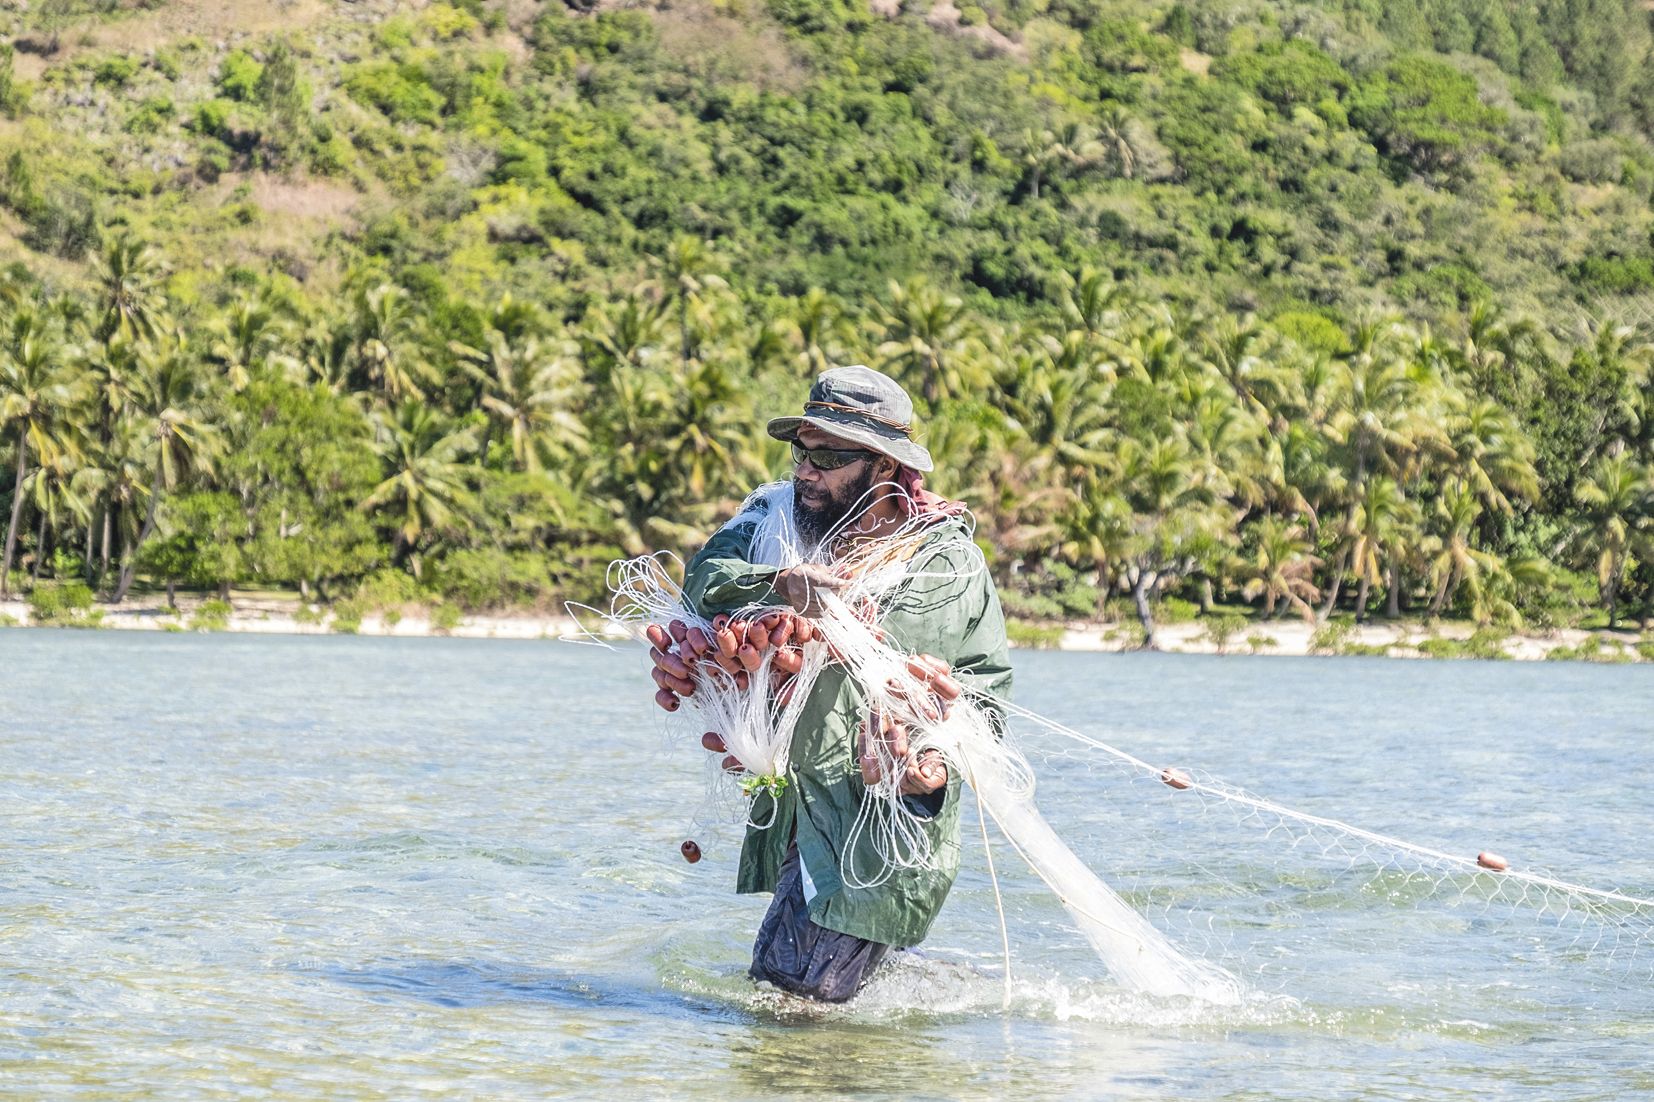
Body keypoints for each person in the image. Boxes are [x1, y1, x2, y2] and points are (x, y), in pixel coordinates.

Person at [670, 364, 1012, 1002]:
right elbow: (705, 576)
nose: (805, 470)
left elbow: (986, 692)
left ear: (883, 467)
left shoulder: (946, 563)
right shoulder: (774, 523)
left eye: (826, 456)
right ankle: (944, 995)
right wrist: (778, 586)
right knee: (793, 1004)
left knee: (789, 1006)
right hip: (798, 813)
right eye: (801, 450)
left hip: (880, 829)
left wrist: (932, 764)